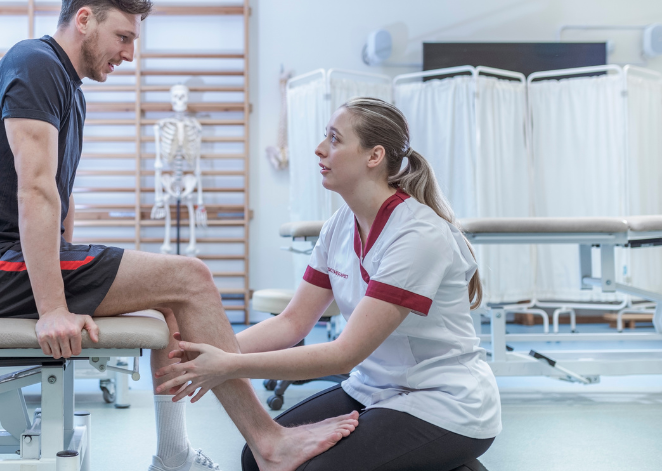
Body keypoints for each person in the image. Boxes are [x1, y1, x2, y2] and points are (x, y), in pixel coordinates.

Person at [0, 0, 359, 470]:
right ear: (83, 20)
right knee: (191, 277)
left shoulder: (68, 88)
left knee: (170, 305)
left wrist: (71, 275)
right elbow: (35, 188)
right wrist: (53, 307)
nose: (129, 54)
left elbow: (60, 196)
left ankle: (174, 455)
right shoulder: (35, 64)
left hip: (14, 261)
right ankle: (270, 443)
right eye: (123, 37)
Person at [155, 97, 502, 471]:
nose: (320, 149)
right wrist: (211, 354)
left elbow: (344, 354)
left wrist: (227, 365)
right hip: (375, 389)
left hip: (446, 402)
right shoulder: (340, 225)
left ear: (374, 156)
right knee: (257, 459)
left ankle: (452, 459)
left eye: (334, 139)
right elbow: (292, 323)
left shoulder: (418, 236)